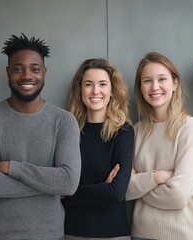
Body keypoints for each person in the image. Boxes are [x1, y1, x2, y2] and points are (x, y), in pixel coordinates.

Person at [0, 33, 81, 240]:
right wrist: (47, 185)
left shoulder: (64, 121)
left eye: (35, 69)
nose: (27, 75)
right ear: (8, 72)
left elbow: (68, 183)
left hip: (50, 236)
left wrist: (12, 168)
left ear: (44, 72)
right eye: (18, 69)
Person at [126, 52, 193, 240]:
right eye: (147, 81)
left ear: (174, 83)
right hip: (141, 234)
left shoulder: (189, 127)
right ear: (140, 88)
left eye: (162, 79)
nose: (155, 87)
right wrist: (158, 177)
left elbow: (178, 196)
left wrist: (141, 185)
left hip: (183, 235)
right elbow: (124, 189)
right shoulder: (136, 131)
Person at [63, 58, 134, 240]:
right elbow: (59, 188)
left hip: (113, 233)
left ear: (111, 91)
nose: (96, 91)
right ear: (80, 90)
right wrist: (102, 188)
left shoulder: (123, 131)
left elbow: (116, 194)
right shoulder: (68, 131)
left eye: (102, 84)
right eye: (88, 84)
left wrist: (71, 193)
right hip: (72, 231)